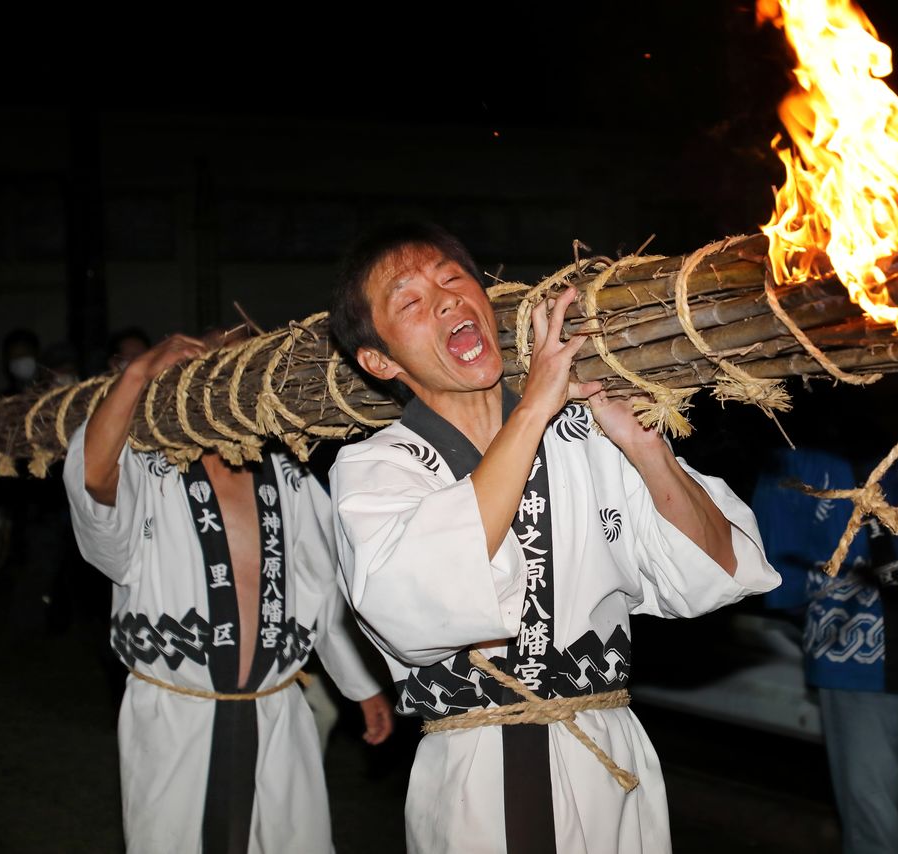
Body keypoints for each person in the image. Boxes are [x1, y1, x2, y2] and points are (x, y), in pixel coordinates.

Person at [328, 222, 780, 854]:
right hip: (480, 773)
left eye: (453, 278)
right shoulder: (378, 468)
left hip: (610, 756)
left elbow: (717, 571)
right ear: (379, 360)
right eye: (410, 301)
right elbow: (414, 601)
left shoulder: (586, 435)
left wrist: (645, 448)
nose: (446, 300)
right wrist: (534, 406)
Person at [63, 332, 395, 854]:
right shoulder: (152, 467)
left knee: (287, 839)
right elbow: (95, 478)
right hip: (176, 712)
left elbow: (321, 587)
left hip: (276, 706)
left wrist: (360, 686)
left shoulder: (287, 472)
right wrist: (135, 375)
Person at [750, 395, 898, 854]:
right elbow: (775, 567)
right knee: (874, 827)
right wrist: (831, 626)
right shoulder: (800, 455)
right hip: (854, 664)